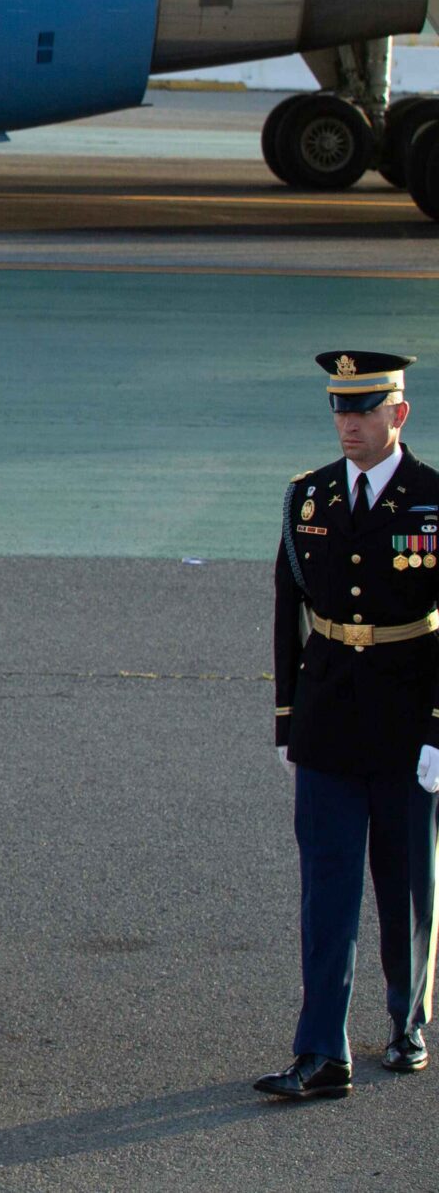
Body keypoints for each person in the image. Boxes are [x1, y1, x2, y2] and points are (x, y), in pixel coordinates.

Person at [257, 350, 439, 1101]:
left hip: (407, 716)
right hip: (330, 715)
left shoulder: (433, 499)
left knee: (405, 881)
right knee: (326, 887)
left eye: (363, 411)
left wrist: (438, 729)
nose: (348, 426)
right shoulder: (311, 496)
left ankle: (407, 1019)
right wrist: (287, 718)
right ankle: (322, 1051)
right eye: (340, 410)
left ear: (397, 414)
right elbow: (286, 605)